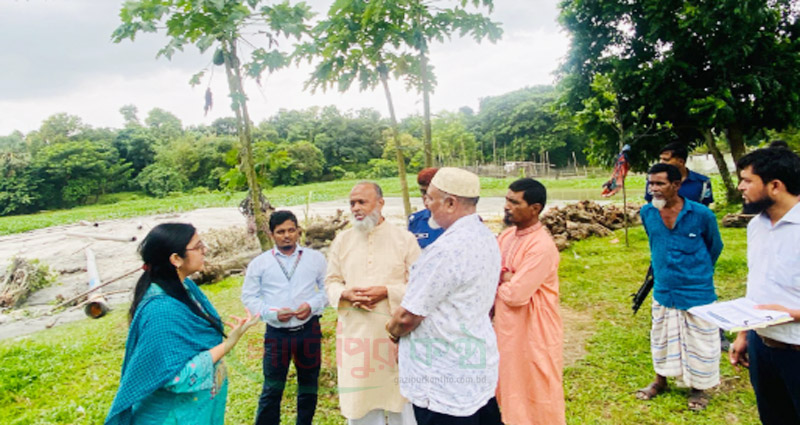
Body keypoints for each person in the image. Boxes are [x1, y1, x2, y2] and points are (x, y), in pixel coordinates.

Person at [105, 223, 259, 425]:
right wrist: (229, 343)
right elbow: (177, 377)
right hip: (172, 416)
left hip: (193, 411)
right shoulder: (161, 311)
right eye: (198, 246)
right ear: (176, 259)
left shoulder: (185, 287)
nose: (205, 250)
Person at [386, 168, 502, 425]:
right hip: (475, 365)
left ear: (450, 203)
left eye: (430, 198)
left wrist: (392, 333)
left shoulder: (445, 251)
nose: (426, 205)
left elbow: (408, 316)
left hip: (443, 376)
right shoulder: (486, 237)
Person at [326, 182, 421, 425]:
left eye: (362, 202)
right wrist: (346, 294)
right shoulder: (342, 240)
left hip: (396, 334)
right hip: (356, 334)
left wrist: (387, 291)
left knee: (401, 401)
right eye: (352, 203)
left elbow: (420, 287)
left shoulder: (405, 239)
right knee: (360, 402)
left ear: (380, 203)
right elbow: (331, 281)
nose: (356, 208)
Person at [636, 163, 723, 411]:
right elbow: (656, 244)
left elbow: (714, 246)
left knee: (701, 340)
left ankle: (699, 389)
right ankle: (660, 381)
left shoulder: (702, 215)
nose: (653, 189)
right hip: (664, 289)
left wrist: (697, 270)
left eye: (660, 183)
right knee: (661, 336)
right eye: (650, 183)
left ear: (676, 185)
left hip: (697, 289)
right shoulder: (647, 213)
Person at [729, 148, 800, 425]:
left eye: (747, 180)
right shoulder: (756, 226)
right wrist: (745, 333)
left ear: (775, 186)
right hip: (763, 348)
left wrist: (790, 314)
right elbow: (757, 283)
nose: (740, 187)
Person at [241, 210, 327, 425]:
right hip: (277, 335)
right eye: (280, 232)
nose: (286, 235)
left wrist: (312, 305)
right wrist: (272, 313)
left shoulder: (315, 258)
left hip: (309, 330)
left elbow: (328, 289)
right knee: (272, 388)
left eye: (291, 230)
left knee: (308, 385)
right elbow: (249, 297)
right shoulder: (259, 264)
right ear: (272, 235)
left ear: (298, 231)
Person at [495, 178, 565, 425]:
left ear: (535, 208)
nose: (507, 206)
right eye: (507, 200)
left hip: (534, 330)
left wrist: (501, 276)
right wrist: (507, 276)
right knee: (508, 385)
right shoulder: (506, 237)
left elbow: (516, 295)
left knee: (536, 388)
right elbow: (489, 274)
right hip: (505, 329)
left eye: (514, 202)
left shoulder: (542, 246)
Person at [645, 142, 713, 206]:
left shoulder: (703, 182)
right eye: (660, 159)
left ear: (681, 161)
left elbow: (704, 209)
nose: (661, 162)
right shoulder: (653, 181)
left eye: (666, 160)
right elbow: (650, 206)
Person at [408, 168, 444, 249]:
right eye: (423, 192)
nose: (426, 197)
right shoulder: (415, 220)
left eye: (430, 193)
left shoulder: (458, 221)